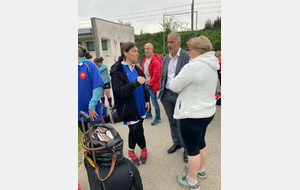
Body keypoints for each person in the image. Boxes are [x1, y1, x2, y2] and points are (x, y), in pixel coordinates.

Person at [169, 36, 219, 189]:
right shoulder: (212, 64)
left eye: (190, 49)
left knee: (192, 150)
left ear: (200, 50)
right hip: (207, 112)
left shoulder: (193, 66)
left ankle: (192, 180)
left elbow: (173, 85)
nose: (188, 52)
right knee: (201, 142)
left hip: (192, 114)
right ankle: (201, 170)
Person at [110, 42, 150, 166]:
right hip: (129, 108)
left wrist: (147, 99)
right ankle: (144, 149)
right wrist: (135, 83)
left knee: (134, 131)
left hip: (141, 105)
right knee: (137, 131)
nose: (137, 53)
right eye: (134, 51)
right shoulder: (118, 70)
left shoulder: (136, 68)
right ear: (125, 53)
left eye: (137, 51)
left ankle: (131, 152)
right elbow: (119, 91)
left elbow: (144, 86)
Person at [158, 32, 190, 162]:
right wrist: (161, 91)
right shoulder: (166, 58)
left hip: (179, 95)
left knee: (181, 122)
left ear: (179, 43)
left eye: (172, 42)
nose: (169, 45)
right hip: (166, 94)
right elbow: (163, 76)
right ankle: (176, 142)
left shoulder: (186, 57)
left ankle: (187, 148)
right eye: (168, 42)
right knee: (171, 121)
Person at [78, 45, 104, 133]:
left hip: (91, 112)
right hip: (78, 114)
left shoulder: (89, 65)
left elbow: (98, 87)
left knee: (96, 141)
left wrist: (92, 107)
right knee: (86, 142)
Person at [141, 43, 162, 125]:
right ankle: (149, 114)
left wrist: (149, 84)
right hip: (145, 84)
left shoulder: (155, 61)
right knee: (147, 101)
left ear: (152, 50)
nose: (146, 50)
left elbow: (157, 75)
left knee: (154, 102)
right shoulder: (145, 60)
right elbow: (143, 71)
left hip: (151, 85)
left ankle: (158, 117)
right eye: (145, 49)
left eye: (148, 49)